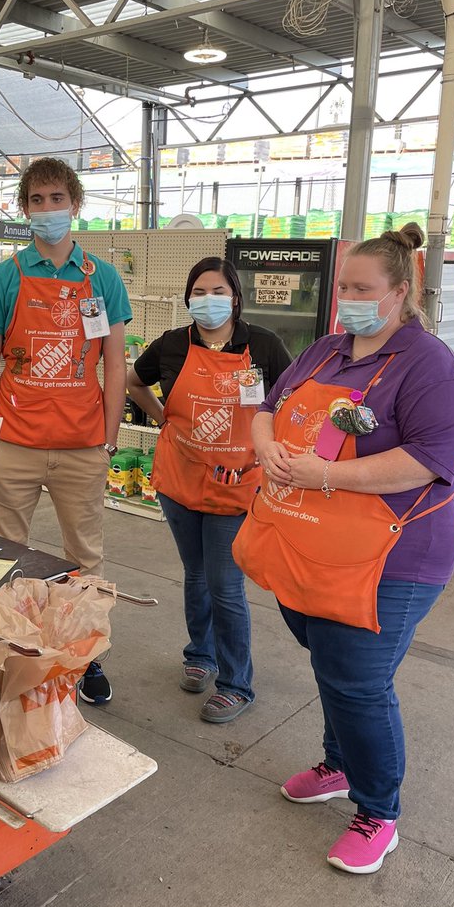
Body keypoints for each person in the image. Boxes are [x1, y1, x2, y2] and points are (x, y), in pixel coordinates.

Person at [233, 223, 454, 875]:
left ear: (401, 292)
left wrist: (326, 475)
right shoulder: (327, 351)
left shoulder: (430, 368)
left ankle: (378, 810)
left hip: (398, 552)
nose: (349, 299)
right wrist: (268, 449)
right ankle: (339, 765)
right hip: (316, 538)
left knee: (360, 681)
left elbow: (428, 460)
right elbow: (266, 408)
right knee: (330, 658)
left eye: (363, 288)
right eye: (344, 286)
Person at [0, 157, 131, 704]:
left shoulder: (102, 278)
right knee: (5, 553)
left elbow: (115, 364)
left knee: (85, 558)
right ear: (24, 209)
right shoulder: (6, 276)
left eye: (56, 198)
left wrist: (108, 439)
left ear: (76, 205)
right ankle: (10, 654)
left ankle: (86, 658)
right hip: (14, 445)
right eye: (36, 201)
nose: (47, 210)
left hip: (82, 447)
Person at [126, 258, 291, 723]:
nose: (207, 300)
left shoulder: (263, 345)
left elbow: (296, 397)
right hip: (180, 479)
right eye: (198, 291)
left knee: (224, 583)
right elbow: (135, 383)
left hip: (235, 483)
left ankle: (237, 684)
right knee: (195, 574)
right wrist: (163, 419)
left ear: (235, 296)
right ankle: (200, 655)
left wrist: (272, 445)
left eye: (217, 291)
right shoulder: (172, 345)